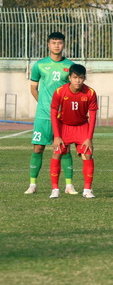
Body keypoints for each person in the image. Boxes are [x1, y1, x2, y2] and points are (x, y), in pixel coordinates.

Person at [24, 32, 77, 195]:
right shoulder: (39, 65)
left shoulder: (70, 65)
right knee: (38, 148)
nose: (56, 46)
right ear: (48, 44)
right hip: (44, 115)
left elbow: (74, 88)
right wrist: (45, 105)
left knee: (65, 149)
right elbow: (33, 88)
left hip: (64, 117)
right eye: (53, 43)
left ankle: (69, 186)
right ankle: (32, 184)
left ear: (64, 45)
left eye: (59, 43)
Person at [49, 64, 98, 199]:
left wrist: (89, 137)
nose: (77, 81)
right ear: (69, 78)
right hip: (64, 126)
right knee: (57, 154)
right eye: (75, 77)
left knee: (88, 154)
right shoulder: (60, 92)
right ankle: (55, 189)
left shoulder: (90, 93)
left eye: (80, 78)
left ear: (84, 78)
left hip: (82, 126)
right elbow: (53, 113)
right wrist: (57, 136)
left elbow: (93, 116)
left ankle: (87, 190)